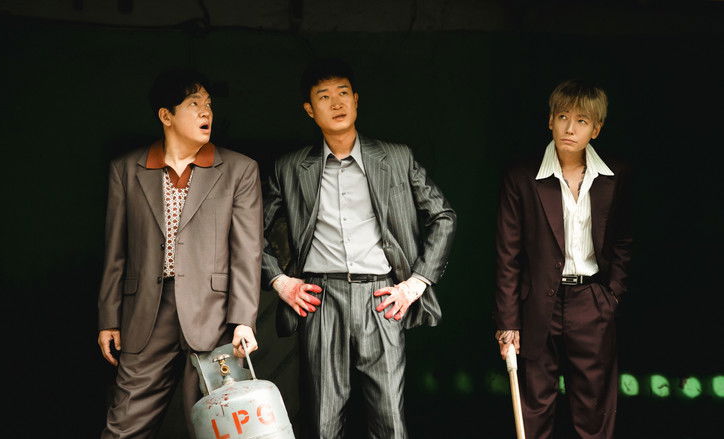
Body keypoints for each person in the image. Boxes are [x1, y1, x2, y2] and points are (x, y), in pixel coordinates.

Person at [262, 58, 457, 438]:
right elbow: (250, 232)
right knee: (323, 421)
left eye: (343, 93)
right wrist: (281, 282)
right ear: (309, 109)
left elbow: (443, 216)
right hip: (320, 298)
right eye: (324, 96)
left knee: (390, 420)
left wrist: (416, 283)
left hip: (382, 296)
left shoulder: (396, 157)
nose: (336, 103)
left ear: (356, 99)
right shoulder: (290, 167)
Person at [96, 69, 263, 438]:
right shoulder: (126, 170)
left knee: (222, 426)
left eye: (209, 105)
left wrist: (244, 320)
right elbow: (115, 251)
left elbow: (247, 252)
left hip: (214, 316)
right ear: (165, 115)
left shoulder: (239, 170)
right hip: (146, 314)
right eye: (193, 104)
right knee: (124, 425)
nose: (206, 112)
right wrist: (109, 317)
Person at [494, 79, 631, 438]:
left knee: (594, 412)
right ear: (550, 121)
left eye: (582, 121)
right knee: (533, 410)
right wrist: (508, 322)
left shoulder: (614, 176)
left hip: (592, 301)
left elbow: (623, 240)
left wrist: (611, 296)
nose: (570, 128)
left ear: (596, 129)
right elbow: (508, 255)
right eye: (563, 117)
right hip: (536, 305)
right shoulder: (522, 177)